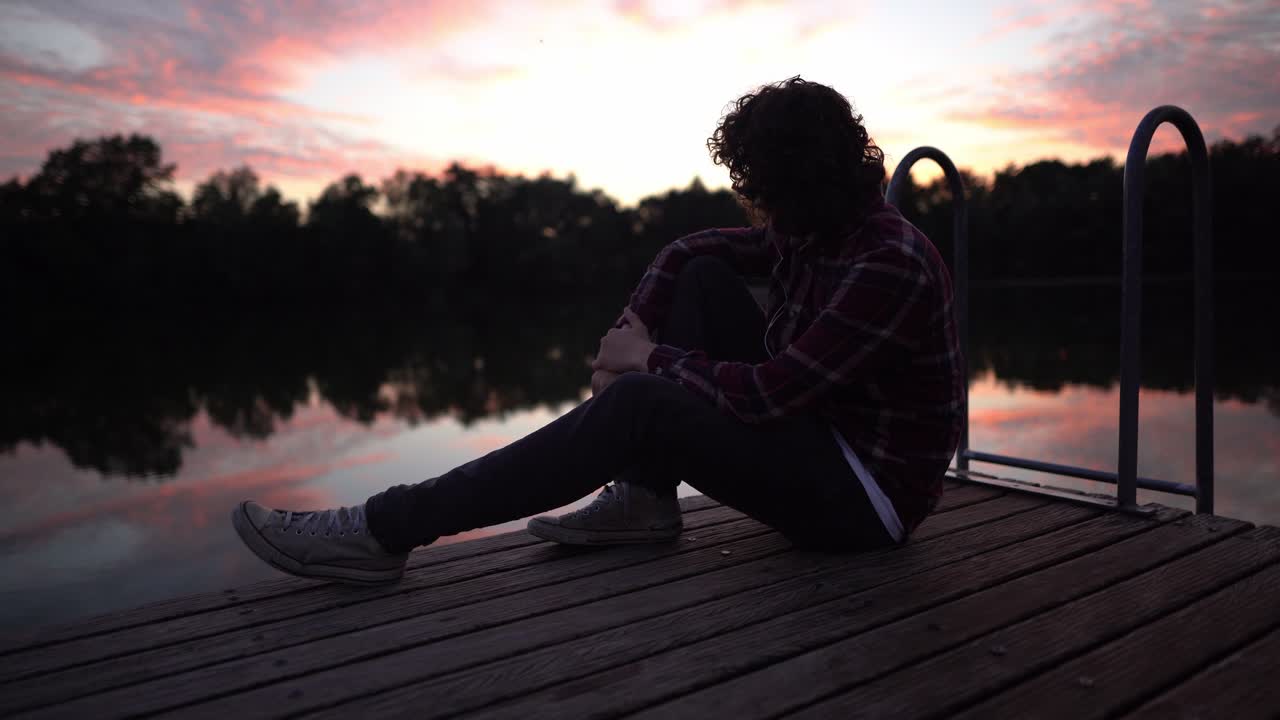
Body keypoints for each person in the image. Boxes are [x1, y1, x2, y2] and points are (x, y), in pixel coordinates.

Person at [230, 76, 965, 585]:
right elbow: (690, 252)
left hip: (866, 503)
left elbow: (772, 395)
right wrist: (631, 332)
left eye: (771, 193)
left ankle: (382, 530)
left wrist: (646, 361)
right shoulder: (815, 228)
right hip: (821, 444)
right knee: (702, 280)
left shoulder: (886, 260)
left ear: (813, 182)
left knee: (644, 400)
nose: (763, 210)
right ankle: (646, 500)